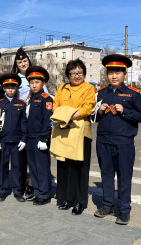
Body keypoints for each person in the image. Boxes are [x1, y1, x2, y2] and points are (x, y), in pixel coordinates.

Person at [92, 54, 141, 225]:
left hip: (124, 143)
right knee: (106, 175)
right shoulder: (100, 93)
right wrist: (99, 111)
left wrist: (125, 111)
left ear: (124, 74)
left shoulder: (133, 95)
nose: (114, 76)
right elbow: (92, 118)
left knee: (124, 177)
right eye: (110, 72)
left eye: (117, 72)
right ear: (106, 74)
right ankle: (108, 205)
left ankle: (124, 210)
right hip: (103, 142)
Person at [53, 58, 96, 215]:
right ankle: (66, 198)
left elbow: (87, 109)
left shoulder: (89, 88)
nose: (77, 76)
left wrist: (67, 116)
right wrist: (63, 115)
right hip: (64, 132)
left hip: (81, 132)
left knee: (80, 168)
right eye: (73, 73)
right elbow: (55, 106)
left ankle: (80, 201)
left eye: (80, 73)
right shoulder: (62, 87)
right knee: (64, 167)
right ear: (68, 75)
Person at [11, 47, 49, 197]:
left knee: (36, 160)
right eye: (20, 62)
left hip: (36, 122)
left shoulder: (38, 79)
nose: (23, 63)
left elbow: (46, 97)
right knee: (24, 159)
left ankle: (35, 187)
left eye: (25, 60)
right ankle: (22, 186)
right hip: (20, 120)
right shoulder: (15, 78)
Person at [0, 73, 28, 202]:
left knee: (17, 166)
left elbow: (24, 124)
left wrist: (24, 139)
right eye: (8, 87)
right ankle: (2, 190)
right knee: (2, 167)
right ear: (3, 88)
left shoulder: (22, 104)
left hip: (17, 142)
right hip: (3, 141)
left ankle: (17, 191)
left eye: (13, 87)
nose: (10, 90)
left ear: (17, 88)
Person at [25, 66, 53, 205]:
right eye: (32, 82)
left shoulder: (46, 99)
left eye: (37, 82)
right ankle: (36, 192)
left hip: (40, 138)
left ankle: (44, 194)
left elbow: (47, 121)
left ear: (43, 83)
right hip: (30, 137)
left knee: (42, 167)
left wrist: (44, 138)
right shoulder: (30, 98)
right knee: (33, 167)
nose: (34, 85)